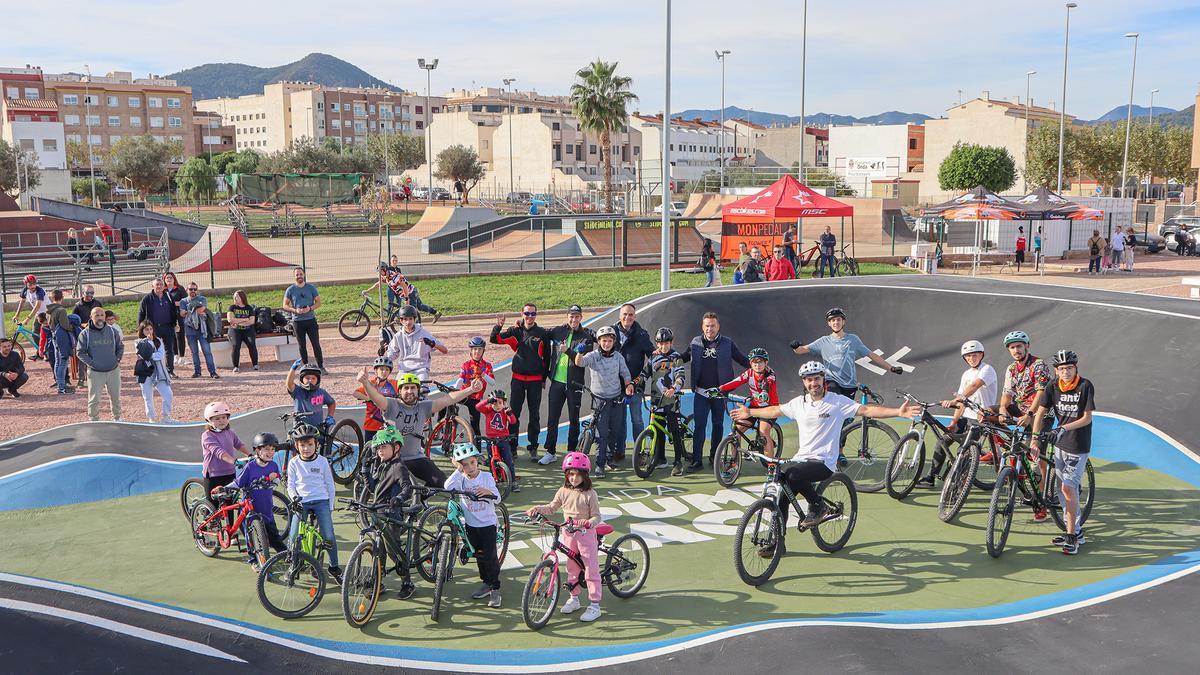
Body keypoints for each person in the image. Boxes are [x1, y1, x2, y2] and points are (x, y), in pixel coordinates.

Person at [731, 361, 918, 551]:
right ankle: (777, 544)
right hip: (801, 459)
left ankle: (818, 505)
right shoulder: (799, 404)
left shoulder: (837, 402)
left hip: (824, 462)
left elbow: (867, 410)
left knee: (791, 474)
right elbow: (775, 410)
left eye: (817, 379)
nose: (814, 383)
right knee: (782, 498)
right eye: (809, 380)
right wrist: (749, 412)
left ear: (823, 379)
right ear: (804, 382)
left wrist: (898, 412)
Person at [355, 366, 484, 487]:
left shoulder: (423, 407)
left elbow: (447, 399)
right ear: (399, 391)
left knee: (441, 483)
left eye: (413, 388)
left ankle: (421, 500)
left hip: (416, 457)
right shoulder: (391, 405)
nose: (410, 391)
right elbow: (376, 397)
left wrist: (471, 389)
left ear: (418, 390)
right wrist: (365, 383)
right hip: (394, 459)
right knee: (402, 488)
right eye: (406, 388)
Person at [525, 452, 605, 622]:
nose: (574, 478)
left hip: (585, 535)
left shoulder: (590, 494)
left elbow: (597, 516)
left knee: (590, 568)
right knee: (571, 567)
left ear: (585, 475)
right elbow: (552, 508)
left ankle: (595, 605)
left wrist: (588, 523)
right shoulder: (563, 491)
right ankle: (574, 598)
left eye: (578, 474)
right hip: (568, 533)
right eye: (570, 474)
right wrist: (537, 509)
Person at [1030, 350, 1094, 555]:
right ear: (1056, 371)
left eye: (1069, 368)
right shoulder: (1052, 386)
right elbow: (1040, 413)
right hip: (1059, 443)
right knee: (1060, 489)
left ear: (1076, 368)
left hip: (1078, 443)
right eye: (1061, 369)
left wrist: (1063, 428)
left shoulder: (1085, 385)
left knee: (1068, 488)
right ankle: (1075, 530)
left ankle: (1071, 537)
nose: (1065, 372)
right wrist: (1034, 439)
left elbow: (1086, 418)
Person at [915, 339, 998, 488]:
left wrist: (955, 399)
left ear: (981, 355)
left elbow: (974, 386)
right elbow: (962, 402)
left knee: (963, 450)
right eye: (968, 356)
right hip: (965, 418)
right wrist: (953, 422)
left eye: (974, 355)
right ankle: (931, 477)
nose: (971, 358)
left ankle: (957, 486)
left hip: (981, 419)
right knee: (942, 441)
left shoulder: (987, 369)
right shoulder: (966, 374)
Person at [681, 312, 749, 473]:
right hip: (701, 392)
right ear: (702, 327)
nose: (709, 328)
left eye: (712, 325)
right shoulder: (696, 342)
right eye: (707, 326)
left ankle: (714, 456)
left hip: (719, 392)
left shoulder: (727, 343)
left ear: (718, 326)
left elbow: (741, 359)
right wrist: (666, 357)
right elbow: (683, 357)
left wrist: (759, 367)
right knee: (700, 426)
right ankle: (697, 460)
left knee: (718, 425)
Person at [996, 330, 1053, 522]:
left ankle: (1041, 500)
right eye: (1012, 347)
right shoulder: (1011, 368)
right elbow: (1007, 393)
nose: (1016, 350)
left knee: (1036, 455)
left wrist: (1029, 414)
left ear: (1027, 346)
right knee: (986, 413)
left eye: (1019, 346)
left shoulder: (1038, 365)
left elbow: (1041, 393)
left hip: (1040, 413)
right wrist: (1003, 410)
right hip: (1021, 409)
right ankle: (997, 448)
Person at [789, 307, 903, 399]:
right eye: (833, 320)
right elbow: (801, 350)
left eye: (838, 319)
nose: (836, 322)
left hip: (850, 384)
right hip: (831, 381)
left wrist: (891, 368)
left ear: (843, 321)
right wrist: (795, 347)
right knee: (833, 403)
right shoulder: (823, 341)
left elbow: (871, 355)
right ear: (829, 323)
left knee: (847, 419)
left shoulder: (853, 339)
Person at [491, 304, 553, 460]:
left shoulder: (542, 333)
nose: (530, 316)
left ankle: (533, 447)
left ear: (536, 315)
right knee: (513, 414)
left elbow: (547, 357)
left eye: (533, 313)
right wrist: (498, 326)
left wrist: (544, 378)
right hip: (517, 380)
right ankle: (512, 447)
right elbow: (495, 339)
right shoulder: (515, 331)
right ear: (522, 314)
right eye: (527, 313)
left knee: (534, 415)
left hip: (535, 381)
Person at [445, 443, 504, 607]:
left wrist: (488, 493)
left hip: (488, 525)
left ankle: (495, 589)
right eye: (465, 464)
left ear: (477, 460)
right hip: (471, 526)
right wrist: (457, 470)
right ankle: (486, 582)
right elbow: (447, 486)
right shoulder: (461, 479)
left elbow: (498, 498)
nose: (470, 467)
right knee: (479, 555)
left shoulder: (486, 477)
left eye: (472, 462)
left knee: (490, 557)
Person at [364, 427, 418, 600]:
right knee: (378, 551)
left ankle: (407, 582)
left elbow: (407, 488)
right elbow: (373, 489)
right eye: (378, 448)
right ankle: (378, 583)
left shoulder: (398, 467)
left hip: (390, 513)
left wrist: (400, 498)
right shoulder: (383, 465)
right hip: (378, 513)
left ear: (396, 448)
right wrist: (365, 472)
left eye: (384, 447)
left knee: (393, 551)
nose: (380, 451)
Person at [574, 326, 635, 478]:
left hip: (615, 399)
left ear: (614, 342)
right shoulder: (593, 356)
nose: (607, 344)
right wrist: (580, 353)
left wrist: (629, 385)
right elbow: (579, 363)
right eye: (604, 341)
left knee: (614, 431)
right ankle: (599, 465)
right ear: (599, 341)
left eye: (609, 341)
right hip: (599, 401)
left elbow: (626, 374)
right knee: (601, 435)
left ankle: (609, 459)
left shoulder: (618, 357)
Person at [285, 422, 342, 585]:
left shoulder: (322, 461)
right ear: (297, 446)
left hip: (321, 501)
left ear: (316, 444)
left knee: (328, 536)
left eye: (310, 444)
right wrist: (294, 498)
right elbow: (291, 485)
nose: (306, 448)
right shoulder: (294, 463)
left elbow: (330, 484)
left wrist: (330, 506)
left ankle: (334, 567)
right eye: (302, 445)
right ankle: (293, 565)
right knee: (294, 534)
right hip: (301, 502)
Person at [544, 306, 593, 463]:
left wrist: (566, 351)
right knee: (553, 418)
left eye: (577, 316)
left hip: (574, 384)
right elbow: (542, 333)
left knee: (574, 419)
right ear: (567, 317)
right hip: (557, 383)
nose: (574, 319)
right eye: (571, 316)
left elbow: (581, 361)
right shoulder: (558, 331)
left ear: (581, 318)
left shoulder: (586, 338)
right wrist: (521, 324)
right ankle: (550, 452)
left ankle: (572, 453)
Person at [639, 327, 689, 475]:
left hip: (671, 401)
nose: (663, 346)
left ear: (671, 342)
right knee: (657, 430)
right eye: (660, 343)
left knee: (674, 431)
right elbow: (644, 373)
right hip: (656, 401)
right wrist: (636, 383)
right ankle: (661, 459)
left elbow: (681, 376)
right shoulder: (653, 357)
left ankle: (678, 462)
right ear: (656, 343)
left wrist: (674, 388)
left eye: (666, 343)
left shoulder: (676, 357)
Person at [715, 347, 779, 459]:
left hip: (770, 408)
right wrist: (719, 389)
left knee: (763, 431)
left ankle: (772, 465)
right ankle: (734, 463)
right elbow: (736, 382)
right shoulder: (749, 373)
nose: (757, 365)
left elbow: (767, 385)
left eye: (760, 362)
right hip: (754, 407)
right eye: (754, 362)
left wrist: (764, 392)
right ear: (750, 363)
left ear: (766, 362)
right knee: (736, 430)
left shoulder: (770, 375)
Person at [231, 433, 287, 554]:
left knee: (274, 535)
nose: (271, 452)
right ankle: (254, 560)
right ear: (257, 450)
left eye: (273, 449)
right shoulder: (250, 467)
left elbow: (276, 481)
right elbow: (238, 483)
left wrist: (273, 479)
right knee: (252, 538)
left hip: (266, 508)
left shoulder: (273, 465)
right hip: (250, 509)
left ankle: (285, 555)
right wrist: (224, 488)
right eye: (267, 449)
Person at [615, 303, 654, 462]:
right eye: (625, 314)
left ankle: (639, 452)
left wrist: (641, 377)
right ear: (620, 315)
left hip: (635, 385)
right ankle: (620, 450)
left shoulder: (642, 334)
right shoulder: (612, 332)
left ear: (635, 316)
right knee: (620, 420)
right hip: (616, 386)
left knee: (637, 420)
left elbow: (653, 357)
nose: (627, 317)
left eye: (630, 314)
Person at [77, 306, 123, 421]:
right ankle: (94, 420)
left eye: (102, 315)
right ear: (91, 317)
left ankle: (117, 418)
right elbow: (80, 352)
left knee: (115, 397)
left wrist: (116, 359)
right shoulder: (85, 334)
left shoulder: (113, 331)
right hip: (95, 372)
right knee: (94, 399)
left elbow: (120, 347)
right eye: (96, 315)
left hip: (113, 370)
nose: (100, 317)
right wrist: (92, 363)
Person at [200, 401, 252, 496]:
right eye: (217, 418)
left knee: (229, 504)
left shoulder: (230, 432)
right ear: (209, 420)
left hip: (230, 472)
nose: (222, 420)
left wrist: (250, 455)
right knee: (213, 505)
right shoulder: (207, 436)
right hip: (213, 475)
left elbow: (239, 444)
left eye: (224, 417)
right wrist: (234, 462)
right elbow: (219, 452)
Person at [383, 305, 447, 381]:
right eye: (405, 319)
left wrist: (432, 343)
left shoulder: (423, 333)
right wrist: (383, 353)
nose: (408, 322)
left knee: (422, 388)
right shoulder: (398, 336)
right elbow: (391, 356)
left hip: (421, 369)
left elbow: (445, 350)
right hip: (404, 370)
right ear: (401, 321)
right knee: (397, 388)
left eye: (410, 319)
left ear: (415, 319)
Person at [475, 390, 520, 492]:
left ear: (504, 403)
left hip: (503, 439)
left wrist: (510, 413)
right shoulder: (488, 410)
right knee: (492, 462)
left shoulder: (504, 411)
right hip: (490, 440)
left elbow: (513, 421)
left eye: (500, 403)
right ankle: (494, 480)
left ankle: (513, 482)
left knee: (509, 461)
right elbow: (478, 407)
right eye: (494, 403)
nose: (497, 405)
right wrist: (487, 400)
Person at [283, 267, 324, 372]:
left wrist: (309, 308)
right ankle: (305, 366)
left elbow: (318, 303)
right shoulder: (290, 290)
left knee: (316, 344)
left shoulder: (311, 288)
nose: (299, 276)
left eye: (300, 274)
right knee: (302, 345)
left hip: (310, 320)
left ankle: (321, 366)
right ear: (294, 276)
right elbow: (285, 305)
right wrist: (295, 310)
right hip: (297, 321)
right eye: (297, 275)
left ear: (304, 275)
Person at [133, 321, 174, 423]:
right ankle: (151, 418)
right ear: (142, 331)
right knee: (147, 396)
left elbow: (160, 355)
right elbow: (144, 355)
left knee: (168, 394)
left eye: (151, 329)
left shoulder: (158, 340)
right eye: (146, 329)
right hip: (145, 372)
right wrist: (151, 348)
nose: (149, 331)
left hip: (159, 372)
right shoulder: (138, 342)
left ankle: (166, 416)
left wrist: (152, 348)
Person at [138, 278, 179, 376]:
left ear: (163, 286)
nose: (159, 286)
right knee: (152, 349)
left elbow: (174, 310)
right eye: (157, 285)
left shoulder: (168, 297)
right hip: (153, 328)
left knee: (169, 349)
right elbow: (141, 313)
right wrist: (140, 328)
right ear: (153, 286)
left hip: (168, 327)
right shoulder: (147, 298)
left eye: (161, 284)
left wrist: (175, 323)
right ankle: (152, 370)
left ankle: (170, 371)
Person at [457, 337, 496, 440]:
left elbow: (492, 382)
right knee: (447, 402)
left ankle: (477, 450)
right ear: (471, 350)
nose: (477, 352)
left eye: (479, 349)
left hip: (475, 399)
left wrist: (483, 374)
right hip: (463, 394)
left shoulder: (487, 366)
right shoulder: (466, 365)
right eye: (474, 349)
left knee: (475, 426)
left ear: (483, 351)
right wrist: (453, 389)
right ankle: (444, 428)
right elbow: (460, 380)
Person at [355, 356, 398, 443]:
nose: (384, 372)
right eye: (381, 369)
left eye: (387, 370)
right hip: (371, 424)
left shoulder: (394, 384)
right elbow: (356, 393)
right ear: (376, 371)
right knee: (370, 451)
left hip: (389, 424)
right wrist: (369, 398)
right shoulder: (370, 384)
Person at [286, 362, 337, 433]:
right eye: (307, 378)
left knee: (320, 443)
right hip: (300, 428)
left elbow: (331, 403)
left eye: (313, 378)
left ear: (318, 380)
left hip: (318, 428)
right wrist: (293, 369)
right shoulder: (297, 391)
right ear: (301, 379)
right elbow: (289, 383)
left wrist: (330, 416)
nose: (310, 380)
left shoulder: (321, 392)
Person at [181, 286, 219, 379]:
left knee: (207, 352)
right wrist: (193, 311)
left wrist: (189, 312)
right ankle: (197, 372)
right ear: (187, 290)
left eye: (195, 289)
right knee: (194, 352)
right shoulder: (183, 301)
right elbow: (182, 313)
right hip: (190, 331)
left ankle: (212, 372)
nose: (193, 291)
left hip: (202, 330)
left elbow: (201, 309)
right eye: (191, 289)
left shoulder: (202, 299)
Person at [44, 289, 75, 394]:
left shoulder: (49, 311)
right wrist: (73, 327)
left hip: (54, 336)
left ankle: (59, 384)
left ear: (52, 298)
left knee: (57, 362)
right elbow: (65, 325)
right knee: (63, 362)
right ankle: (61, 387)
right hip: (62, 338)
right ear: (62, 298)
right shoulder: (61, 310)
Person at [226, 290, 259, 373]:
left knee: (251, 343)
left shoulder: (249, 308)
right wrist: (244, 319)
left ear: (242, 297)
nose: (235, 298)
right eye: (234, 297)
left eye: (236, 297)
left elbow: (251, 321)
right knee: (236, 345)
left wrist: (237, 321)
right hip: (235, 330)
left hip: (248, 330)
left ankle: (255, 364)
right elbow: (230, 320)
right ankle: (236, 366)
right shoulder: (232, 307)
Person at [163, 271, 188, 360]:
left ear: (174, 279)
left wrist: (173, 303)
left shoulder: (179, 289)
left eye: (170, 278)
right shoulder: (163, 290)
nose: (168, 280)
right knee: (171, 335)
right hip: (167, 316)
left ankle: (182, 356)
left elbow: (185, 301)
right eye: (167, 278)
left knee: (180, 335)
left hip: (178, 315)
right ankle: (175, 355)